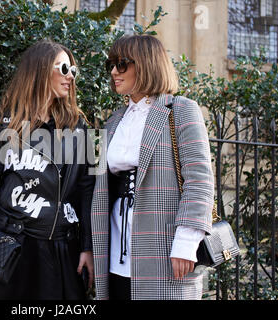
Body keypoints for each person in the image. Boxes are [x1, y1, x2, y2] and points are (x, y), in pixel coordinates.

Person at [0, 39, 95, 300]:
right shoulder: (3, 126)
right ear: (40, 70)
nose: (70, 77)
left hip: (61, 248)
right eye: (63, 68)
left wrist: (88, 248)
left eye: (73, 71)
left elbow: (86, 191)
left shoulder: (79, 128)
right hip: (13, 247)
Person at [90, 34, 214, 300]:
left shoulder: (180, 110)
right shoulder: (113, 122)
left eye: (122, 63)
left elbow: (199, 179)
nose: (114, 71)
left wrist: (186, 242)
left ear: (146, 64)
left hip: (164, 246)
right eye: (111, 64)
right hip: (115, 249)